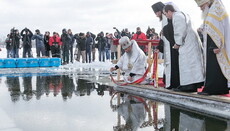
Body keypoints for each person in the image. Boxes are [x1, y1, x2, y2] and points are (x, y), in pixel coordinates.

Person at [163, 4, 204, 92]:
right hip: (190, 43)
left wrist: (177, 43)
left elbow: (180, 30)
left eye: (166, 14)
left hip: (187, 44)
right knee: (192, 64)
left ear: (169, 11)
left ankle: (188, 85)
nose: (166, 16)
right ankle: (192, 84)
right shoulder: (182, 14)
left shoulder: (177, 16)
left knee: (186, 64)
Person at [194, 0, 230, 95]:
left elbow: (217, 29)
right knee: (214, 67)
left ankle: (213, 89)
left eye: (201, 6)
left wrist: (215, 45)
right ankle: (219, 88)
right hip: (212, 45)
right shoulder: (213, 10)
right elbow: (210, 27)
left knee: (215, 67)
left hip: (215, 46)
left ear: (206, 3)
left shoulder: (215, 11)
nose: (200, 8)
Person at [152, 2, 177, 89]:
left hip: (172, 46)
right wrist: (159, 47)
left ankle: (173, 83)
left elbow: (170, 30)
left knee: (173, 64)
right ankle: (169, 82)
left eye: (156, 13)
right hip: (168, 46)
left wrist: (164, 31)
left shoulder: (167, 18)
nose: (156, 15)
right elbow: (163, 36)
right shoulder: (164, 19)